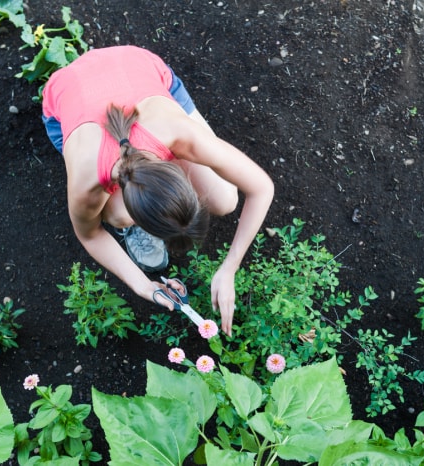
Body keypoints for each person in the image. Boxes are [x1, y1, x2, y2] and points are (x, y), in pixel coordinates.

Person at [41, 45, 274, 335]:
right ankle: (129, 225)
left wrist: (230, 268)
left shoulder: (178, 132)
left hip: (133, 65)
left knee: (225, 199)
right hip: (68, 93)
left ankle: (149, 202)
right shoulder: (88, 181)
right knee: (117, 216)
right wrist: (144, 286)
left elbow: (262, 188)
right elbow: (89, 234)